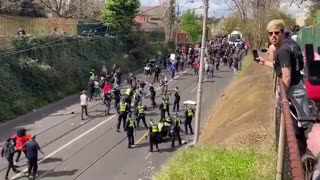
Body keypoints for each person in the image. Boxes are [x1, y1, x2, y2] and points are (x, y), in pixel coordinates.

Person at [257, 19, 309, 154]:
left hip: (292, 93)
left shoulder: (283, 51)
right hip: (300, 88)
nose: (273, 36)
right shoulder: (292, 44)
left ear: (282, 32)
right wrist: (265, 62)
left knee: (294, 130)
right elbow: (282, 67)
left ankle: (301, 162)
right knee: (301, 126)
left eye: (276, 32)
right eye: (270, 33)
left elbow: (286, 77)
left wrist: (282, 98)